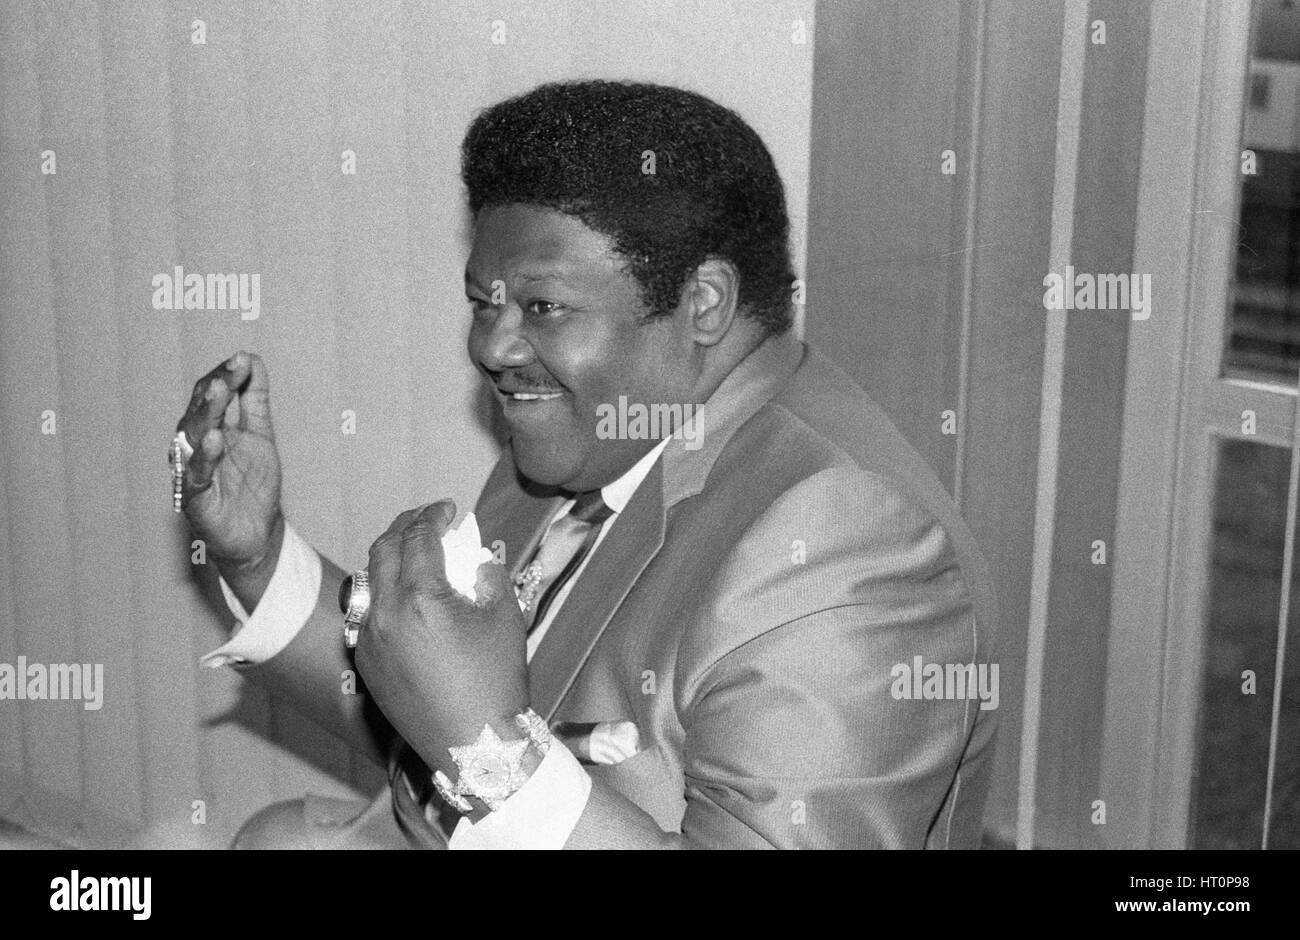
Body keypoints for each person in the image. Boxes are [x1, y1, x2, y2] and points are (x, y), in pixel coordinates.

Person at [173, 80, 999, 849]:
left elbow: (473, 738)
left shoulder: (847, 543)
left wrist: (493, 755)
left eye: (543, 305)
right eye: (482, 300)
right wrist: (258, 556)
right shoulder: (579, 438)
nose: (490, 346)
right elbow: (430, 705)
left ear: (701, 303)